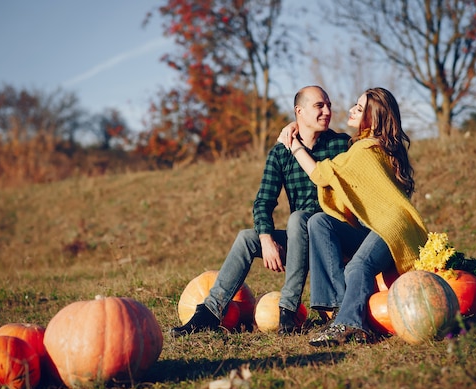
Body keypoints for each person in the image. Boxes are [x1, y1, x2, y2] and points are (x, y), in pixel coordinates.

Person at [171, 86, 350, 337]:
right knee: (248, 238)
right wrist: (266, 239)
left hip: (334, 240)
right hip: (300, 241)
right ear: (299, 111)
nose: (328, 111)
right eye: (319, 106)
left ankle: (288, 309)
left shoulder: (341, 145)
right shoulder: (281, 152)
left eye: (329, 105)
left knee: (299, 218)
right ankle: (210, 312)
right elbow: (263, 202)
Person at [277, 87, 428, 346]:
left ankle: (352, 325)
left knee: (359, 266)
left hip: (392, 228)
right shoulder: (371, 146)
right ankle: (337, 309)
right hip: (376, 226)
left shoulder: (365, 150)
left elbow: (321, 174)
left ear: (373, 118)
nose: (351, 110)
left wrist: (294, 145)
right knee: (319, 221)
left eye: (359, 108)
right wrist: (299, 123)